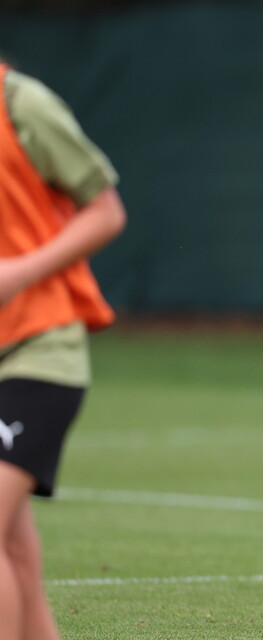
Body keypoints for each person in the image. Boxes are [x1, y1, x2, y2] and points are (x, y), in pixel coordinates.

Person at [0, 62, 126, 640]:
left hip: (39, 350)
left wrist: (20, 273)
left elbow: (105, 211)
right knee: (16, 552)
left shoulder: (22, 104)